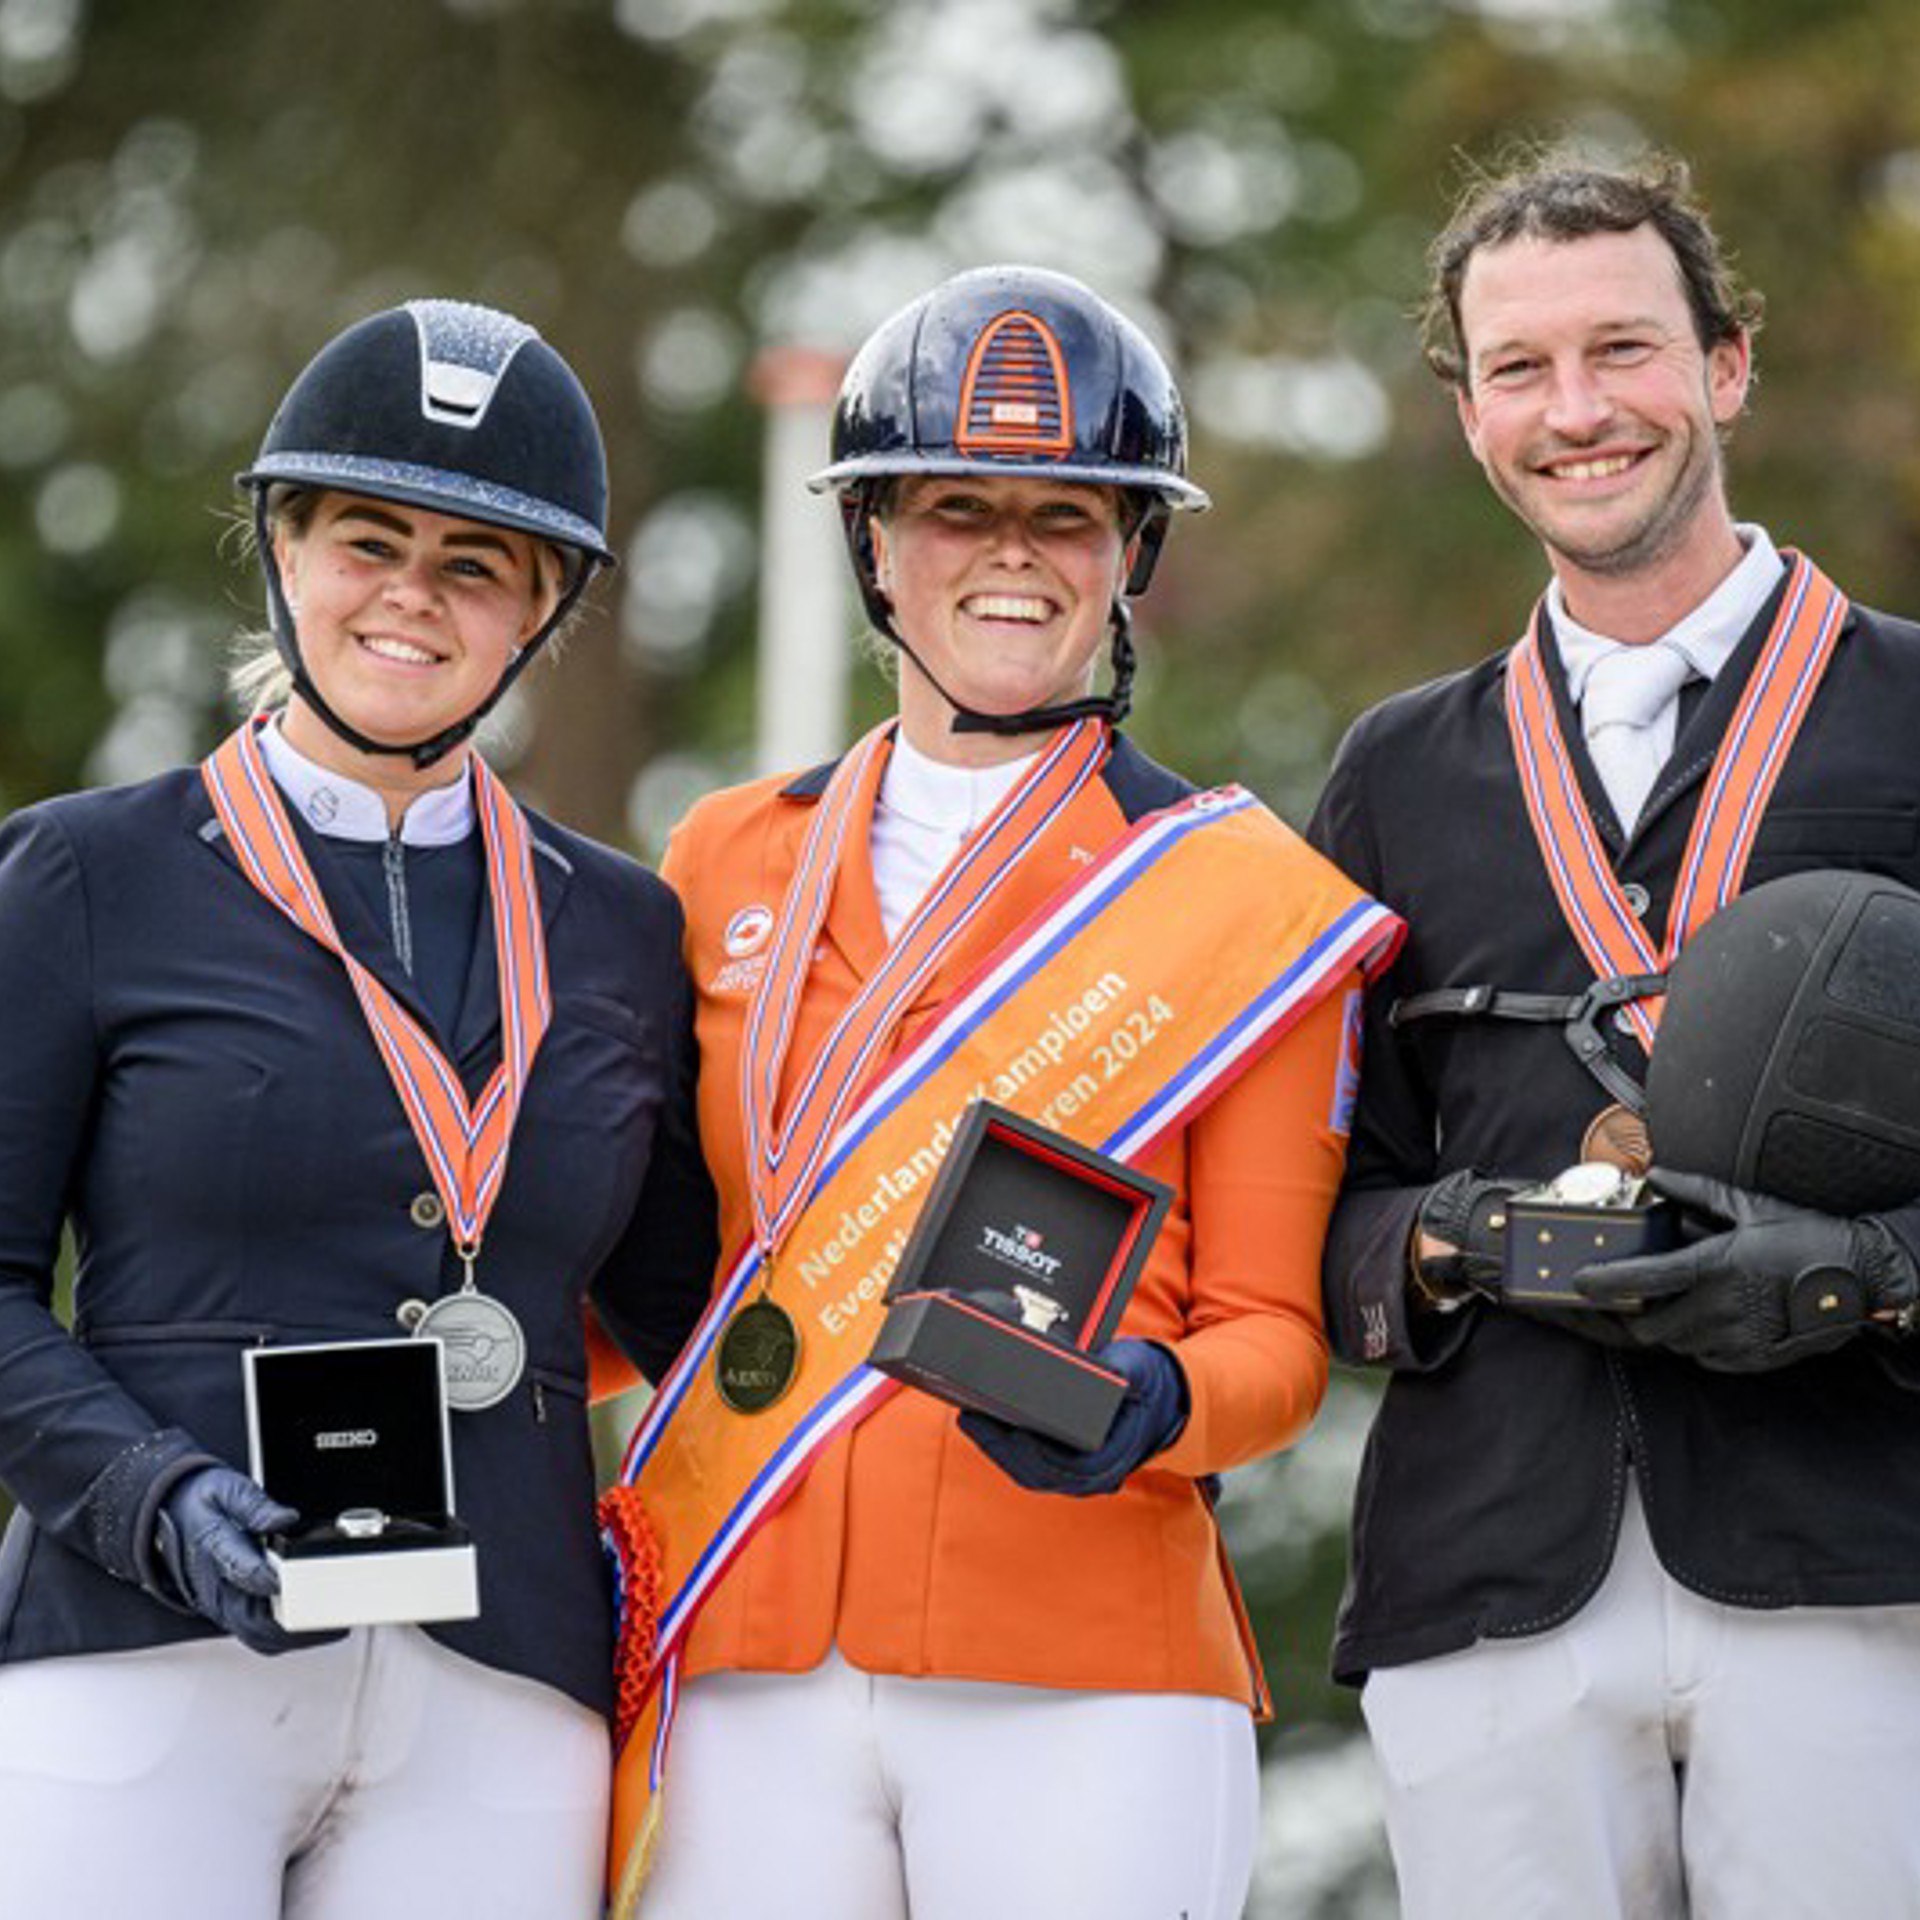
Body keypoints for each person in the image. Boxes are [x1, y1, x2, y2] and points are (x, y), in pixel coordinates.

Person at [597, 265, 1402, 1920]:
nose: (1016, 555)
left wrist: (1153, 1407)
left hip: (1084, 1659)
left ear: (1131, 557)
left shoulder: (1245, 898)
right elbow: (659, 1252)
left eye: (1071, 515)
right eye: (961, 510)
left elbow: (1274, 1336)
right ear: (875, 542)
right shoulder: (721, 855)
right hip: (750, 1644)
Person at [0, 299, 715, 1919]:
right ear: (285, 551)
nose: (413, 596)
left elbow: (689, 1307)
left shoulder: (616, 928)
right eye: (367, 541)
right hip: (149, 1651)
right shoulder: (86, 874)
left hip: (499, 1689)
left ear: (541, 610)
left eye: (475, 563)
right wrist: (151, 1496)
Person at [1308, 147, 1920, 1917]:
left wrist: (1861, 1274)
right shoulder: (1391, 773)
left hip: (1854, 1559)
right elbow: (1317, 1191)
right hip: (1492, 1575)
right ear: (1469, 413)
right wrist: (1447, 1240)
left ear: (1727, 368)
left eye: (1625, 350)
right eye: (1521, 369)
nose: (1578, 410)